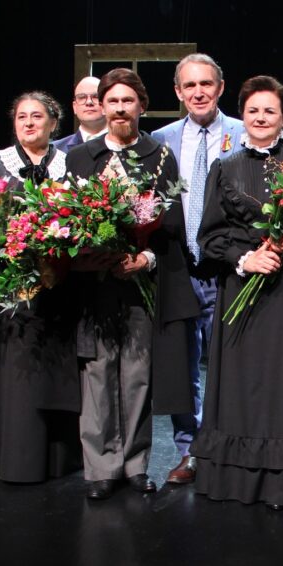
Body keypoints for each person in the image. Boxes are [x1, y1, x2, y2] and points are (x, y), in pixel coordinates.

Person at [192, 75, 283, 509]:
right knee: (246, 385)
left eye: (269, 111)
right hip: (244, 286)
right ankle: (242, 481)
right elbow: (208, 238)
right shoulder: (225, 167)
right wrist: (246, 258)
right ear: (242, 115)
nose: (260, 117)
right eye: (253, 110)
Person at [65, 67, 198, 499]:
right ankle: (101, 468)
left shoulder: (160, 156)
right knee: (98, 373)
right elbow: (67, 221)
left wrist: (144, 258)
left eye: (128, 101)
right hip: (95, 285)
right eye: (113, 101)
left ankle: (136, 464)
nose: (120, 109)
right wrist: (96, 253)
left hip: (142, 283)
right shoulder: (80, 157)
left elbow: (171, 224)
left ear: (142, 105)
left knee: (138, 374)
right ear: (101, 107)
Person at [0, 91, 82, 483]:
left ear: (53, 123)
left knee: (48, 372)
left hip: (56, 288)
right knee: (8, 371)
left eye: (37, 116)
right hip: (4, 288)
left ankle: (53, 458)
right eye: (21, 117)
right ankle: (2, 454)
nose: (29, 123)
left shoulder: (70, 164)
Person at [150, 53, 245, 485]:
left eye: (206, 83)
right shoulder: (160, 140)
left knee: (232, 363)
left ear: (220, 88)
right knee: (181, 365)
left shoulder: (244, 133)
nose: (199, 92)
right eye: (189, 85)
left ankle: (228, 447)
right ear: (178, 92)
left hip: (229, 268)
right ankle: (189, 450)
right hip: (178, 268)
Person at [53, 76, 107, 154]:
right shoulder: (55, 150)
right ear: (74, 107)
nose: (89, 102)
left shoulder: (123, 145)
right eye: (82, 97)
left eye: (96, 97)